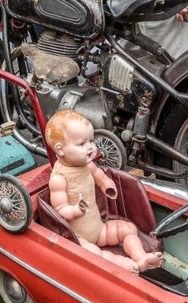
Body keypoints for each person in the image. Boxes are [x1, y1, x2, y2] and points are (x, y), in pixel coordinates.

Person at [46, 110, 164, 273]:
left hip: (98, 228)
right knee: (94, 253)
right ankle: (129, 266)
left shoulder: (87, 165)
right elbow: (59, 209)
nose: (90, 147)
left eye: (91, 141)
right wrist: (75, 210)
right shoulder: (59, 178)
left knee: (128, 229)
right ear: (60, 150)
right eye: (81, 144)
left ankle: (141, 257)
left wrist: (107, 184)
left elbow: (99, 176)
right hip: (79, 237)